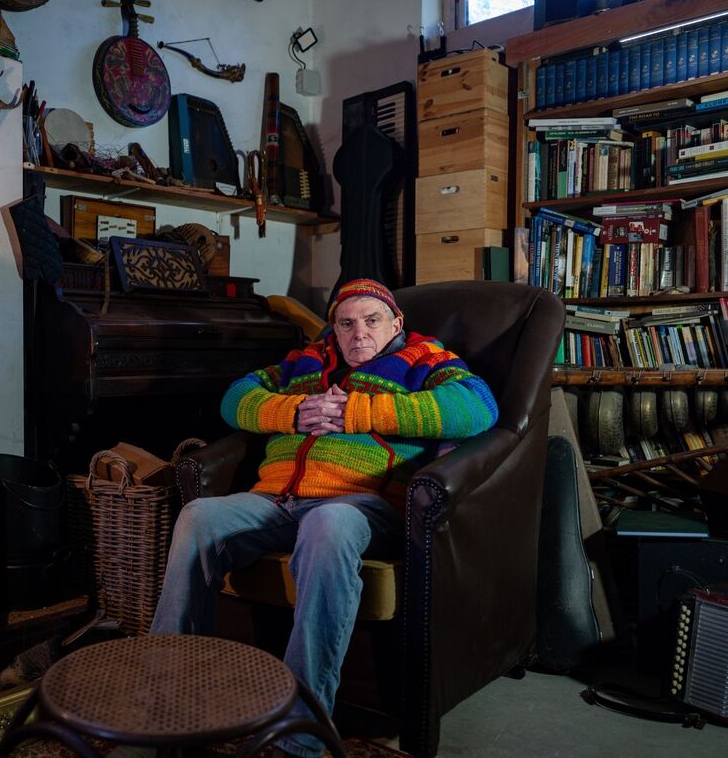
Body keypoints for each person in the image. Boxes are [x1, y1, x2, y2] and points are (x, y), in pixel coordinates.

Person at [150, 278, 499, 757]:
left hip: (359, 504)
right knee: (197, 516)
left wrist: (358, 411)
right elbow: (235, 399)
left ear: (396, 322)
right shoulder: (304, 363)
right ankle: (167, 698)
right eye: (346, 323)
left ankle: (301, 731)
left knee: (328, 525)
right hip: (275, 499)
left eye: (372, 321)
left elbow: (476, 409)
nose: (359, 334)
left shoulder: (426, 359)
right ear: (333, 329)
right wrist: (292, 414)